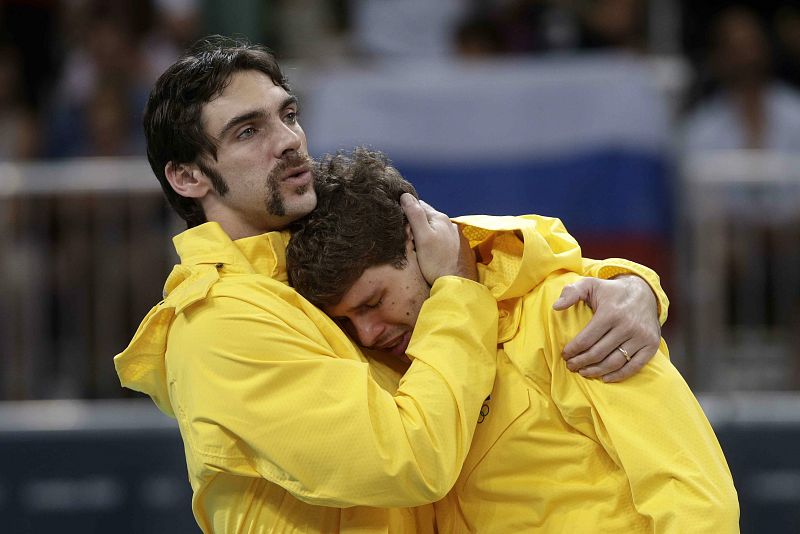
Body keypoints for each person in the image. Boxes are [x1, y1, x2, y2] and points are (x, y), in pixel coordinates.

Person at [115, 36, 669, 533]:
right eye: (248, 131)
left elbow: (466, 243)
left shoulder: (302, 266)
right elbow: (409, 460)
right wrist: (456, 289)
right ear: (188, 177)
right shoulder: (218, 323)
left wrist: (628, 284)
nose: (287, 141)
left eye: (288, 115)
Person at [286, 147, 740, 533]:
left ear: (418, 240)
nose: (367, 332)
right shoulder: (389, 368)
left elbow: (694, 497)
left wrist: (638, 284)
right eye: (347, 321)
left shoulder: (569, 313)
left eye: (373, 302)